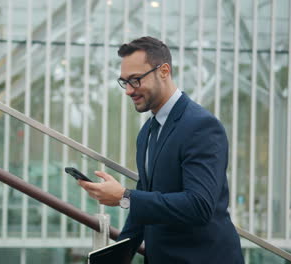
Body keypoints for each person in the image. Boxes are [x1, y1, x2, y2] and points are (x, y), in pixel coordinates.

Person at [78, 36, 244, 263]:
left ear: (164, 71)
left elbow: (199, 206)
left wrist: (125, 197)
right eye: (124, 82)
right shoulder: (147, 131)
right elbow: (144, 206)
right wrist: (113, 258)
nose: (128, 90)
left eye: (135, 80)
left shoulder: (201, 126)